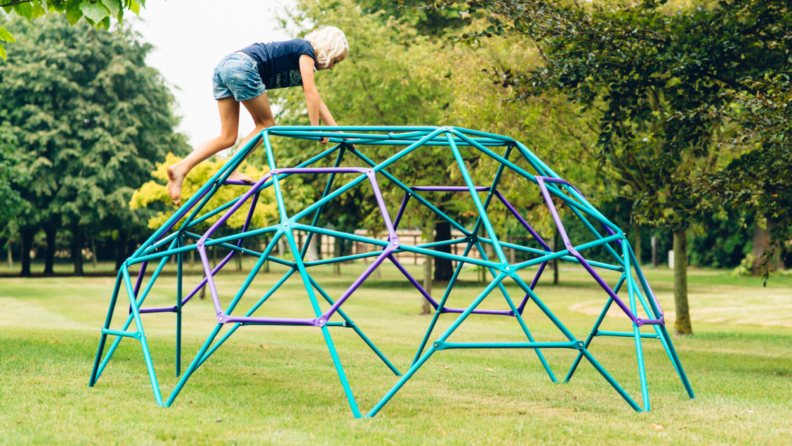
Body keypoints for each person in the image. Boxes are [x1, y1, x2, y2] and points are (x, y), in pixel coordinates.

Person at [166, 27, 349, 206]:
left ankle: (181, 168)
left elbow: (318, 101)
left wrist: (341, 134)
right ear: (329, 49)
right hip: (243, 66)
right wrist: (316, 129)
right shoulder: (306, 50)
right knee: (266, 124)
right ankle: (230, 170)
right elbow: (311, 92)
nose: (332, 67)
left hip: (224, 67)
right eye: (336, 61)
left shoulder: (302, 58)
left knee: (227, 137)